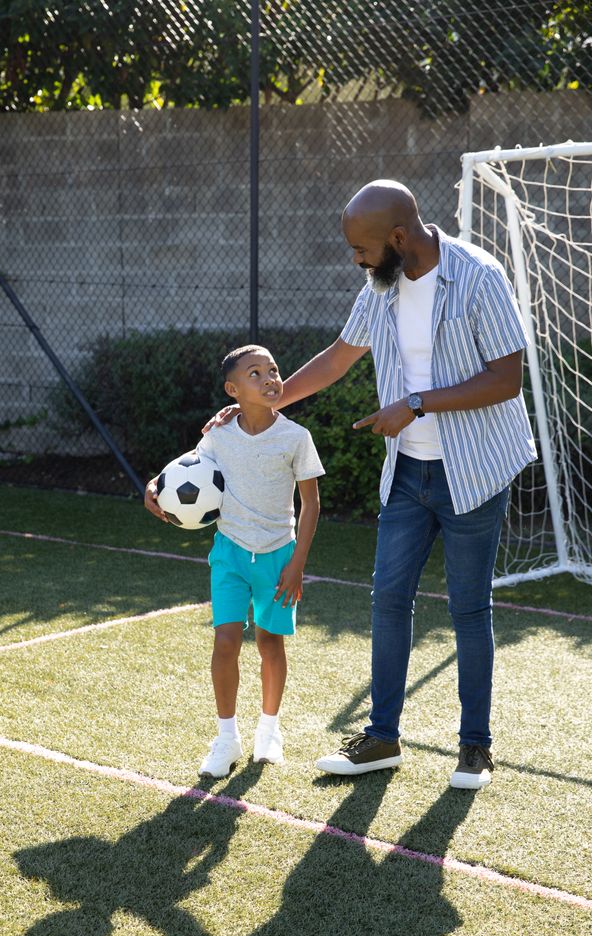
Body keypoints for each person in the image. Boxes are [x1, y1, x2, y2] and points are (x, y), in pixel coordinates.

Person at [202, 180, 536, 790]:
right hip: (408, 472)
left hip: (476, 470)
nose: (355, 259)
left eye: (361, 248)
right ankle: (382, 737)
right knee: (387, 602)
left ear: (398, 238)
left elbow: (507, 379)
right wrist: (269, 402)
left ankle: (475, 749)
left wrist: (415, 404)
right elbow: (338, 356)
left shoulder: (480, 277)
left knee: (468, 608)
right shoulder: (380, 285)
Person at [145, 344, 324, 778]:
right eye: (255, 373)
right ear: (233, 390)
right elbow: (184, 473)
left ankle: (269, 731)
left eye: (273, 370)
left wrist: (297, 563)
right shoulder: (218, 435)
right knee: (225, 641)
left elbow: (312, 505)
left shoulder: (295, 437)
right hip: (228, 554)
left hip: (278, 557)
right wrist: (152, 487)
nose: (269, 379)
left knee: (269, 643)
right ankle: (226, 739)